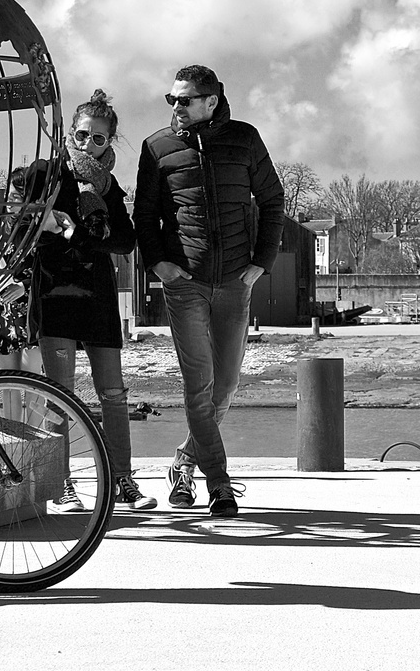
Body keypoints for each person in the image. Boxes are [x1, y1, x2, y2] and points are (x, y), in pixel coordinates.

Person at [134, 65, 282, 518]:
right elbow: (145, 214)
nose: (176, 107)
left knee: (228, 385)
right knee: (199, 388)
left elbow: (273, 200)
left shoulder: (245, 139)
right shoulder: (157, 147)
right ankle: (219, 485)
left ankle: (182, 461)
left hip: (236, 282)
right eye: (171, 99)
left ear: (211, 100)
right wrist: (160, 264)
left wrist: (261, 263)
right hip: (186, 285)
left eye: (185, 99)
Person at [23, 89, 157, 513]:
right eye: (82, 136)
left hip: (97, 297)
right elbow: (22, 220)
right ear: (69, 135)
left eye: (98, 139)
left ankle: (122, 481)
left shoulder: (109, 184)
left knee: (113, 394)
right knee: (59, 394)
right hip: (55, 293)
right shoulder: (44, 174)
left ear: (110, 142)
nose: (88, 145)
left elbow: (125, 238)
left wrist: (72, 233)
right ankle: (61, 483)